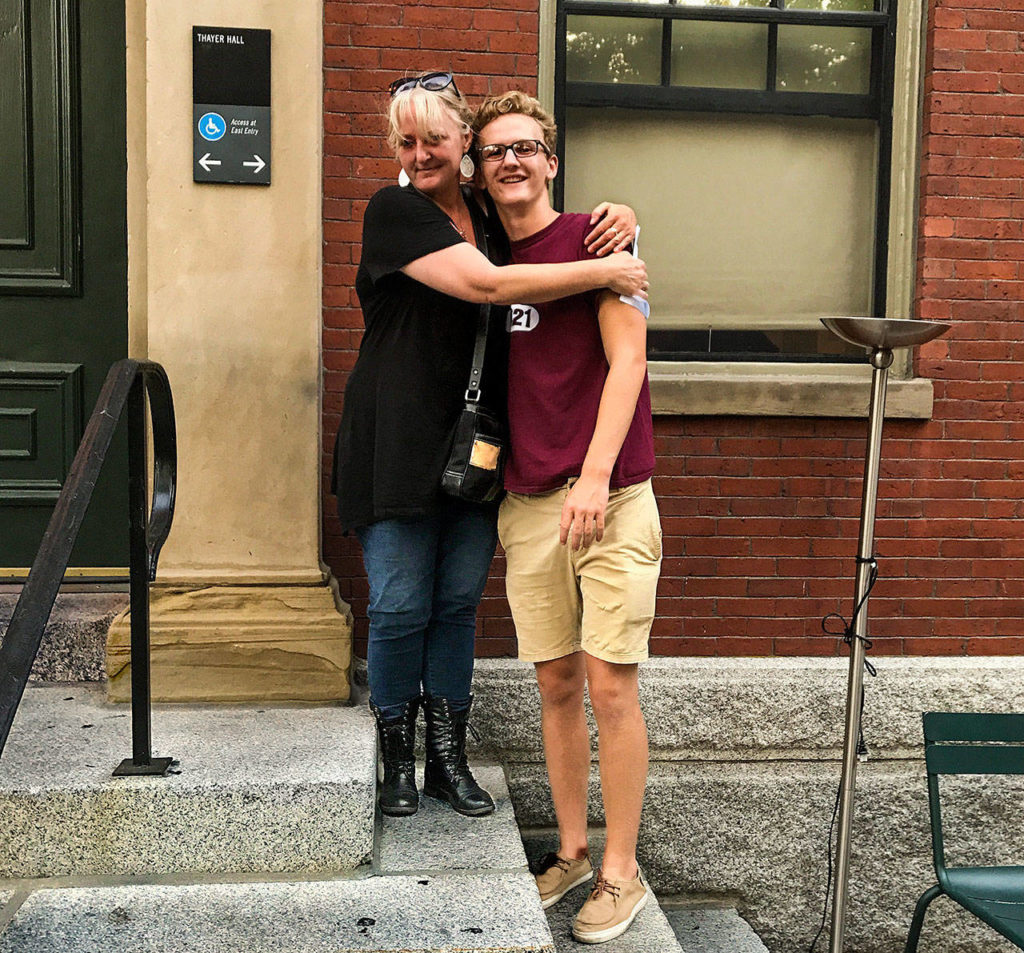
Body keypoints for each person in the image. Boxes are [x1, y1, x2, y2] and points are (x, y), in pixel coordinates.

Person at [331, 72, 647, 821]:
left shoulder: (484, 208)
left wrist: (622, 219)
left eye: (433, 139)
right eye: (404, 142)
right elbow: (487, 288)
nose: (418, 154)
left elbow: (543, 212)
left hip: (482, 447)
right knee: (403, 603)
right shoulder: (394, 210)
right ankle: (397, 760)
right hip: (399, 442)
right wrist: (609, 267)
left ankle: (447, 759)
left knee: (456, 603)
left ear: (462, 143)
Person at [474, 91, 661, 944]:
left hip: (610, 498)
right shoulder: (477, 258)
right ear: (481, 173)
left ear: (551, 160)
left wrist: (593, 476)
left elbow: (628, 361)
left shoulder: (600, 236)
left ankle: (622, 871)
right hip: (527, 501)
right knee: (554, 684)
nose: (509, 161)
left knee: (610, 683)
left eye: (525, 147)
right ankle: (576, 849)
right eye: (494, 152)